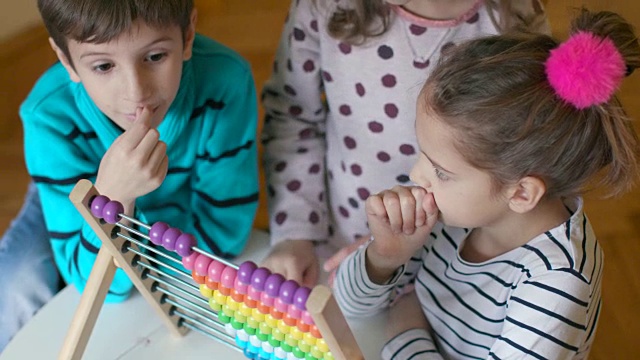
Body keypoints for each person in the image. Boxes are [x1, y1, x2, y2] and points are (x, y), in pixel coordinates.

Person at [333, 8, 639, 359]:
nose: (416, 175)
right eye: (423, 155)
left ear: (521, 193)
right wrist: (385, 256)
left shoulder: (556, 286)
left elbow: (396, 317)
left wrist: (405, 331)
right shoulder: (455, 210)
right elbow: (349, 310)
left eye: (441, 171)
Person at [0, 0, 259, 351]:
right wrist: (115, 198)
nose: (136, 92)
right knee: (14, 283)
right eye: (104, 65)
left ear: (187, 35)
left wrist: (137, 248)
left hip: (165, 209)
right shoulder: (48, 117)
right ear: (65, 60)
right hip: (79, 191)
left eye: (154, 57)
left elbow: (224, 235)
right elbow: (105, 289)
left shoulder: (226, 82)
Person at [260, 0, 550, 287]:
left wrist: (387, 248)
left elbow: (523, 158)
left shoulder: (514, 16)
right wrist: (295, 233)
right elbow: (292, 117)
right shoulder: (324, 7)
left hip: (454, 269)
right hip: (337, 246)